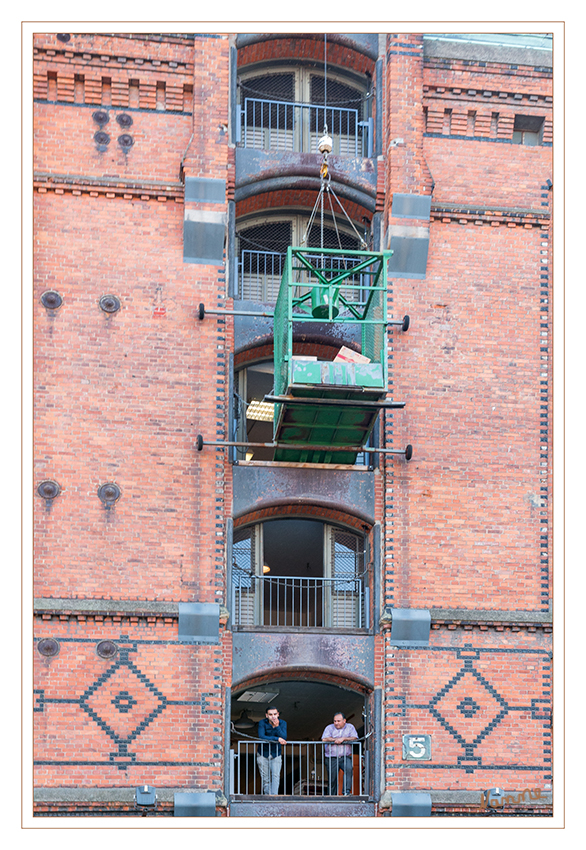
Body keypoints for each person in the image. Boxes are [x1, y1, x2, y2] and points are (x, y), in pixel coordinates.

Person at [321, 711, 358, 796]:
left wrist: (343, 739)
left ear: (344, 721)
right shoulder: (329, 728)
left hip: (345, 756)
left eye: (338, 721)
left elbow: (355, 738)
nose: (336, 723)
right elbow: (324, 739)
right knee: (332, 779)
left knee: (349, 770)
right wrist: (335, 740)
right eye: (335, 721)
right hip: (331, 757)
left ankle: (346, 792)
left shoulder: (350, 727)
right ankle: (332, 796)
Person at [256, 706, 287, 795]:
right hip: (263, 753)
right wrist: (277, 739)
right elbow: (262, 737)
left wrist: (277, 726)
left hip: (276, 753)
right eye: (270, 714)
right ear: (266, 715)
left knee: (276, 776)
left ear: (278, 714)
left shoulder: (283, 723)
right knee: (266, 778)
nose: (273, 716)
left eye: (275, 714)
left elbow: (284, 737)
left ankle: (274, 797)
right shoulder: (262, 723)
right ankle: (268, 797)